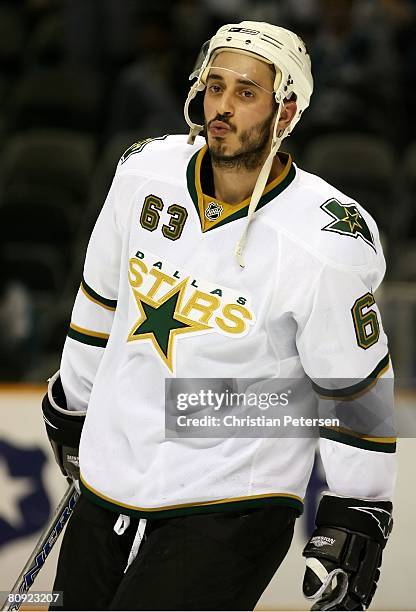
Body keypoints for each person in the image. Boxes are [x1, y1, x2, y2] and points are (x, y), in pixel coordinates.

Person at [42, 21, 396, 611]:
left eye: (246, 92)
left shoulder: (326, 238)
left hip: (233, 499)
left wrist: (358, 508)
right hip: (112, 477)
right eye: (214, 86)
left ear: (286, 113)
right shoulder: (143, 174)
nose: (222, 108)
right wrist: (73, 403)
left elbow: (353, 384)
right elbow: (99, 300)